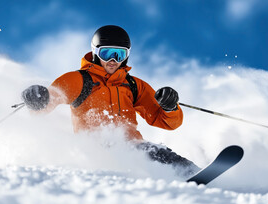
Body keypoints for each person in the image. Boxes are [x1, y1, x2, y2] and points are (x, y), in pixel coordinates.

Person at [22, 25, 199, 177]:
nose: (113, 60)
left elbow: (166, 121)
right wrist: (39, 98)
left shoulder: (133, 85)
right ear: (95, 52)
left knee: (160, 154)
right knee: (150, 154)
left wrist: (169, 107)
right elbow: (52, 98)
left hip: (134, 147)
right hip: (96, 151)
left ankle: (197, 176)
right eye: (107, 53)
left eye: (119, 54)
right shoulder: (79, 80)